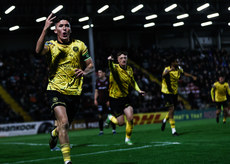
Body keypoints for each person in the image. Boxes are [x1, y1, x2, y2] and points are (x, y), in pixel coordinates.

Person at [35, 13, 94, 164]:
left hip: (74, 92)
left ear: (70, 29)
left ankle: (54, 133)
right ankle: (67, 161)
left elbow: (90, 65)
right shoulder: (51, 45)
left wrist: (84, 71)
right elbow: (38, 51)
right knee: (64, 121)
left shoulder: (80, 45)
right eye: (61, 26)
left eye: (67, 25)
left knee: (63, 126)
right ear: (55, 30)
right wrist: (44, 29)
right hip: (55, 89)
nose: (64, 28)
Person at [106, 51, 145, 145]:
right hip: (115, 99)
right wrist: (110, 61)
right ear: (118, 60)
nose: (123, 59)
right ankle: (110, 118)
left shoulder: (129, 69)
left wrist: (139, 90)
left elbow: (133, 81)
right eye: (121, 58)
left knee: (130, 118)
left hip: (125, 97)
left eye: (125, 58)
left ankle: (127, 139)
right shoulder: (114, 67)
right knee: (120, 123)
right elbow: (111, 67)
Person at [161, 56, 196, 136]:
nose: (178, 62)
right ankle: (174, 131)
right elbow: (163, 75)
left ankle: (164, 120)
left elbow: (184, 73)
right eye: (176, 61)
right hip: (167, 92)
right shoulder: (167, 69)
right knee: (172, 109)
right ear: (172, 62)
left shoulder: (179, 68)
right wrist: (169, 70)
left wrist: (192, 76)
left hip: (174, 92)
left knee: (172, 110)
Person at [94, 69, 116, 135]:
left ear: (104, 73)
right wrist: (95, 99)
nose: (99, 74)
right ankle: (101, 131)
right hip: (100, 101)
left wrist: (110, 100)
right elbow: (96, 91)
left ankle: (113, 130)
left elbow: (112, 90)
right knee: (100, 116)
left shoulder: (108, 80)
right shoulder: (97, 81)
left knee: (111, 115)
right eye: (98, 73)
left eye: (100, 72)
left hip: (108, 101)